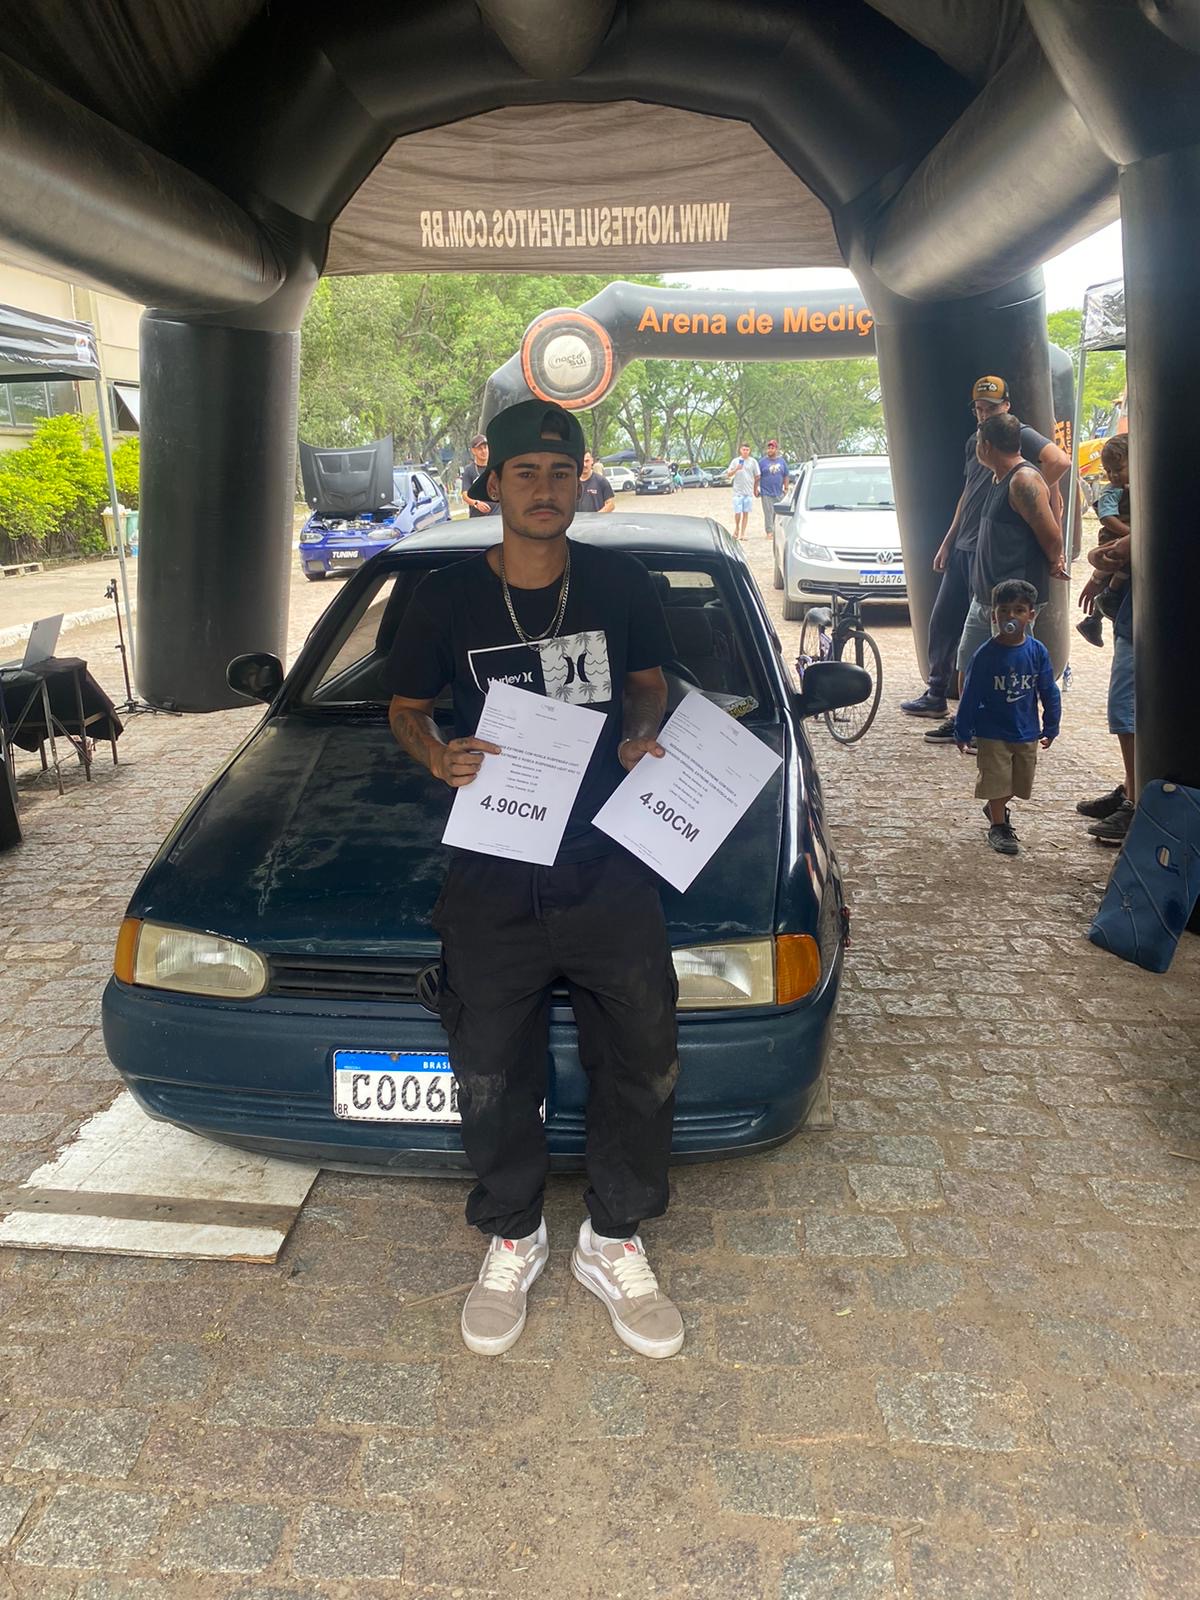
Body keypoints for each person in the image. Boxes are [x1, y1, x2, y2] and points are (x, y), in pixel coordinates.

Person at [384, 398, 685, 1362]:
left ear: (580, 481)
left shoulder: (621, 583)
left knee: (641, 1051)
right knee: (489, 1061)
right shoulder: (442, 597)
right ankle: (514, 1232)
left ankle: (613, 1235)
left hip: (608, 860)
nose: (545, 490)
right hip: (493, 863)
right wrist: (437, 755)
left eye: (561, 474)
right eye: (526, 474)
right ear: (493, 484)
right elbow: (404, 706)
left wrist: (642, 731)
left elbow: (648, 682)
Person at [902, 375, 1069, 739]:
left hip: (1009, 581)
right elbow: (967, 494)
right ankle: (959, 714)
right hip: (977, 564)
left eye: (990, 407)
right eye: (978, 408)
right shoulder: (989, 465)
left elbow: (1058, 468)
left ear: (1006, 407)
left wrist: (1043, 494)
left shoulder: (1019, 457)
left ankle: (1007, 731)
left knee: (1009, 661)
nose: (983, 414)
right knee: (961, 642)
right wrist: (948, 540)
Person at [955, 578, 1061, 855]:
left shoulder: (1037, 652)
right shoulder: (985, 655)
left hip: (1026, 730)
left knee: (1019, 782)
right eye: (1004, 610)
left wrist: (1051, 725)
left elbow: (1048, 690)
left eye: (1019, 610)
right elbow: (971, 694)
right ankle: (999, 825)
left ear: (1031, 615)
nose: (1010, 616)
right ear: (994, 615)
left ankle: (996, 806)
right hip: (992, 731)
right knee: (996, 779)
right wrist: (962, 730)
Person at [1077, 435, 1136, 844]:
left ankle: (1136, 800)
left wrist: (1103, 560)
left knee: (1126, 708)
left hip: (1142, 621)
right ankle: (1132, 786)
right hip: (1131, 612)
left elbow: (1130, 543)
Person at [1076, 435, 1129, 648]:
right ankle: (1106, 601)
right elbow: (1107, 517)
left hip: (1122, 541)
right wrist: (1132, 535)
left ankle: (1095, 618)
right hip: (1114, 539)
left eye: (1119, 469)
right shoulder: (1113, 491)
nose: (1113, 475)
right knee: (1120, 565)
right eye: (1108, 471)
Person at [725, 443, 760, 541]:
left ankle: (743, 533)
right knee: (737, 512)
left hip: (748, 492)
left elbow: (757, 475)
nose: (745, 451)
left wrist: (755, 488)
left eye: (747, 450)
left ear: (749, 451)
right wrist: (737, 468)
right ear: (740, 450)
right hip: (737, 491)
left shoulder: (753, 462)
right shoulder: (735, 461)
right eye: (744, 449)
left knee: (745, 513)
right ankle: (737, 527)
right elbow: (728, 474)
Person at [756, 439, 790, 537]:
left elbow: (786, 475)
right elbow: (757, 476)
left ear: (776, 449)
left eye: (772, 448)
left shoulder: (782, 462)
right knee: (768, 513)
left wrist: (786, 488)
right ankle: (769, 532)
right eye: (769, 448)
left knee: (779, 513)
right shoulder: (762, 462)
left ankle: (778, 531)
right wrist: (756, 488)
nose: (770, 450)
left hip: (779, 492)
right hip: (766, 492)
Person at [462, 433, 498, 517]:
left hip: (497, 515)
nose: (484, 451)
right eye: (480, 449)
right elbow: (465, 495)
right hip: (478, 518)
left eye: (485, 447)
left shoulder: (496, 467)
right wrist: (476, 503)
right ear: (473, 451)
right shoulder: (469, 470)